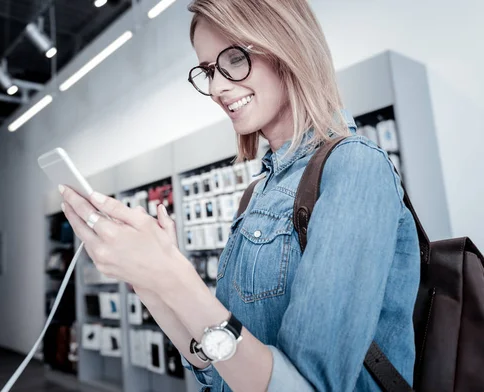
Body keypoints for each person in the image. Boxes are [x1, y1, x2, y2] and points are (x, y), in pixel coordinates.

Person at [59, 0, 421, 390]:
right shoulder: (257, 193)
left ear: (286, 44)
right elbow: (215, 364)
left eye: (234, 59)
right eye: (209, 71)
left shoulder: (355, 167)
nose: (217, 88)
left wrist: (174, 276)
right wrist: (150, 281)